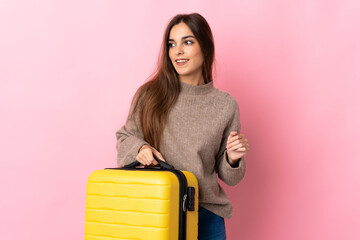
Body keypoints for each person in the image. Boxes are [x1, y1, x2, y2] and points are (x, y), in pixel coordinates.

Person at [115, 12, 250, 240]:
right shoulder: (150, 95)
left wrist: (233, 158)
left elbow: (230, 177)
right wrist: (140, 149)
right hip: (158, 207)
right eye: (172, 44)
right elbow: (125, 137)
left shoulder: (226, 105)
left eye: (187, 42)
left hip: (206, 213)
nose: (177, 51)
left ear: (205, 48)